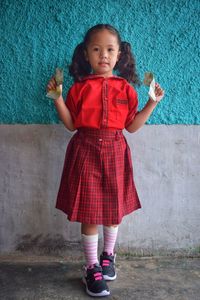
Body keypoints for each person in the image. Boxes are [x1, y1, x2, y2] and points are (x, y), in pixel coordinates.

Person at [46, 24, 164, 297]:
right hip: (85, 151)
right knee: (89, 213)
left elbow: (131, 127)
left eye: (110, 49)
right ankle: (91, 267)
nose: (103, 55)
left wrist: (151, 103)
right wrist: (57, 99)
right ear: (86, 54)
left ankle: (108, 257)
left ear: (119, 54)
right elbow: (72, 125)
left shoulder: (126, 89)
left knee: (113, 210)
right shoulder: (78, 89)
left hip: (115, 151)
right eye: (96, 49)